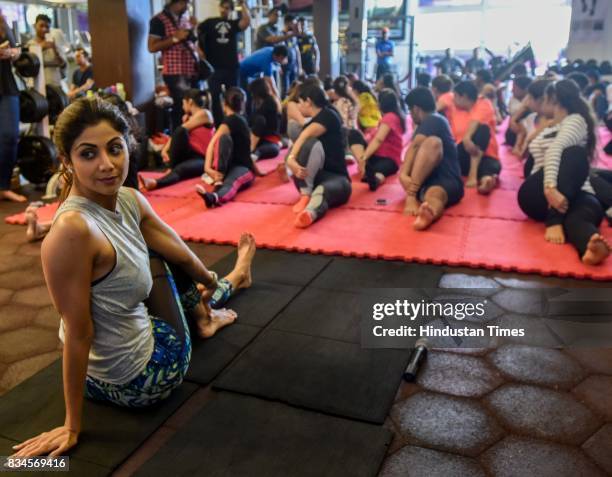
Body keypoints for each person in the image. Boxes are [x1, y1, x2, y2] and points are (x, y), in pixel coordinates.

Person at [9, 97, 257, 458]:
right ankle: (218, 300)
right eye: (88, 154)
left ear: (129, 145)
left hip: (98, 372)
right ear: (67, 161)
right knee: (157, 254)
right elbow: (79, 332)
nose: (107, 165)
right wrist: (71, 426)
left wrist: (206, 280)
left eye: (114, 149)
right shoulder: (73, 230)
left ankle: (218, 293)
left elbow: (185, 253)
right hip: (144, 379)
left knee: (165, 251)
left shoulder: (128, 199)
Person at [518, 80, 610, 265]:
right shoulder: (553, 125)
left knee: (581, 214)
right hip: (539, 196)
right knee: (574, 154)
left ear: (554, 100)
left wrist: (551, 189)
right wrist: (549, 190)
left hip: (565, 194)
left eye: (544, 99)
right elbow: (542, 155)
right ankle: (554, 220)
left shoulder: (575, 120)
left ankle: (590, 245)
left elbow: (555, 150)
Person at [285, 83, 351, 228]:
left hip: (337, 179)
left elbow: (304, 137)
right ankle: (305, 193)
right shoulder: (313, 121)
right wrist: (291, 162)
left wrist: (291, 159)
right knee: (299, 139)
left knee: (322, 191)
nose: (299, 107)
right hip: (313, 178)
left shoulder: (328, 115)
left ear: (308, 102)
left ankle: (310, 213)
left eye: (300, 103)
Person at [402, 87, 463, 230]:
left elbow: (416, 146)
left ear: (416, 109)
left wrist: (404, 176)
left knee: (433, 142)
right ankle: (428, 212)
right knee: (434, 196)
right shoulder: (430, 122)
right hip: (429, 182)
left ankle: (422, 206)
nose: (411, 115)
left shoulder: (434, 119)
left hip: (446, 179)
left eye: (410, 111)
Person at [140, 89, 214, 191]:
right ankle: (169, 169)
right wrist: (165, 149)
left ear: (190, 102)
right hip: (189, 155)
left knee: (180, 169)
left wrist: (165, 149)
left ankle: (156, 182)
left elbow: (180, 131)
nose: (183, 106)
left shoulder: (204, 113)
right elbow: (177, 135)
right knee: (181, 132)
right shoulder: (190, 118)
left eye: (183, 103)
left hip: (202, 159)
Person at [196, 87, 256, 208]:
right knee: (224, 139)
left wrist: (207, 168)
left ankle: (215, 197)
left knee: (231, 183)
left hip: (242, 168)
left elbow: (212, 143)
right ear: (243, 104)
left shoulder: (232, 121)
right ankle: (217, 186)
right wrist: (208, 169)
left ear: (224, 104)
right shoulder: (237, 120)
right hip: (235, 167)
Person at [198, 0, 251, 126]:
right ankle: (218, 125)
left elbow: (246, 22)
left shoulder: (233, 24)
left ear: (231, 10)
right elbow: (196, 32)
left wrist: (243, 4)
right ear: (219, 7)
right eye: (223, 7)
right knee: (215, 98)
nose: (224, 10)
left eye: (228, 8)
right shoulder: (210, 22)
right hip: (214, 67)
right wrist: (199, 50)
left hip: (231, 67)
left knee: (233, 97)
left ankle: (234, 123)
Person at [148, 0, 199, 131]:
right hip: (175, 72)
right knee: (180, 109)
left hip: (191, 70)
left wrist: (194, 29)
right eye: (183, 3)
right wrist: (174, 38)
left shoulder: (185, 18)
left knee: (195, 108)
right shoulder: (158, 20)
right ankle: (178, 141)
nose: (186, 6)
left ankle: (193, 140)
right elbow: (152, 46)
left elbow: (191, 43)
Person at [347, 89, 406, 191]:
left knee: (378, 172)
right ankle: (370, 173)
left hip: (388, 160)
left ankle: (371, 176)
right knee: (354, 134)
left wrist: (364, 157)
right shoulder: (394, 116)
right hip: (380, 158)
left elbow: (379, 139)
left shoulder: (390, 117)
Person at [451, 81, 501, 194]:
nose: (453, 99)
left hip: (486, 155)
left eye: (455, 96)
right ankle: (476, 176)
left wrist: (467, 138)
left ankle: (485, 181)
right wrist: (465, 141)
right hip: (462, 153)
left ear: (463, 96)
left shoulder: (483, 103)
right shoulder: (454, 109)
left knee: (483, 130)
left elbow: (476, 121)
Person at [0, 14, 26, 202]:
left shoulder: (2, 24)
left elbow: (17, 51)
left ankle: (3, 186)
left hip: (6, 86)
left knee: (9, 135)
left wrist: (12, 54)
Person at [26, 14, 67, 89]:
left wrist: (55, 50)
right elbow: (31, 65)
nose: (44, 29)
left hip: (55, 85)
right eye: (41, 26)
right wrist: (42, 47)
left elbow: (62, 64)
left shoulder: (54, 43)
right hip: (36, 86)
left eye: (47, 27)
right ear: (35, 26)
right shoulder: (30, 44)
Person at [248, 78, 282, 160]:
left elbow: (255, 121)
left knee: (260, 120)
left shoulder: (269, 102)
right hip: (262, 139)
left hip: (270, 139)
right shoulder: (264, 102)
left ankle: (252, 152)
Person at [505, 75, 533, 151]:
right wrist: (512, 123)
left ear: (525, 89)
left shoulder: (531, 100)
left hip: (528, 131)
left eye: (514, 88)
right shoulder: (512, 99)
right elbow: (511, 118)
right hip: (513, 131)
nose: (512, 90)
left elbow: (524, 109)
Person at [281, 15, 301, 98]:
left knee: (295, 88)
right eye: (294, 23)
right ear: (287, 23)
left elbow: (297, 51)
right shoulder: (281, 35)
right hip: (285, 67)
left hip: (294, 66)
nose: (295, 25)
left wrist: (299, 66)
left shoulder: (293, 36)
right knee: (286, 89)